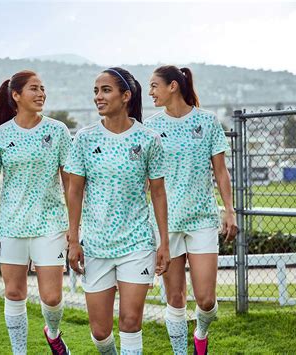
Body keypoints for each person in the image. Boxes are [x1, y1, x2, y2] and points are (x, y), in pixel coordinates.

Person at [65, 67, 170, 354]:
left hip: (137, 243)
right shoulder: (84, 139)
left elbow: (158, 192)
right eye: (96, 91)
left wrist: (164, 242)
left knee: (131, 321)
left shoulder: (148, 139)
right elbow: (74, 191)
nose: (98, 97)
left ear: (126, 96)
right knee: (100, 332)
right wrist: (74, 240)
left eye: (105, 90)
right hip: (97, 244)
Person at [145, 65, 238, 355]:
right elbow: (146, 180)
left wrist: (229, 210)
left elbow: (221, 172)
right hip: (165, 223)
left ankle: (200, 333)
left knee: (206, 300)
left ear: (173, 86)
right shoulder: (150, 127)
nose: (150, 92)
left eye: (154, 86)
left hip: (202, 219)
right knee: (174, 297)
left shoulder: (208, 122)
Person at [0, 70, 72, 355]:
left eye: (43, 88)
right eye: (34, 88)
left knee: (52, 297)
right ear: (16, 95)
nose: (41, 93)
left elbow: (70, 182)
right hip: (11, 225)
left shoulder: (58, 131)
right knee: (14, 293)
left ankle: (53, 333)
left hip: (51, 224)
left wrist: (74, 225)